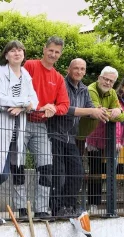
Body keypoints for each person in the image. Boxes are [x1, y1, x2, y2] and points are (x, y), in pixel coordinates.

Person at [49, 58, 109, 216]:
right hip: (55, 134)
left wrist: (100, 110)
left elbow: (91, 109)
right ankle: (56, 208)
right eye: (76, 68)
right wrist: (91, 111)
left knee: (77, 172)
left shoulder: (84, 90)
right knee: (58, 172)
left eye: (82, 69)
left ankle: (68, 205)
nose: (79, 72)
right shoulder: (61, 84)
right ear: (68, 70)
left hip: (72, 137)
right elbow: (64, 108)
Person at [22, 36, 70, 220]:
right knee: (17, 166)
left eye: (57, 52)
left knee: (46, 166)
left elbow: (65, 105)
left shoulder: (58, 78)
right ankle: (20, 210)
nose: (53, 54)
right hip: (22, 121)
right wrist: (31, 104)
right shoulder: (30, 66)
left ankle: (41, 209)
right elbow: (19, 87)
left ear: (60, 55)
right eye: (51, 50)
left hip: (41, 126)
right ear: (44, 49)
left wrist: (54, 108)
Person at [0, 40, 38, 217]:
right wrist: (25, 104)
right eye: (12, 51)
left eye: (20, 51)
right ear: (6, 55)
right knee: (0, 171)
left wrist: (23, 107)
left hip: (19, 128)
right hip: (3, 126)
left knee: (18, 168)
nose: (17, 53)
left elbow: (35, 99)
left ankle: (22, 209)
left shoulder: (26, 74)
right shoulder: (0, 73)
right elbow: (0, 99)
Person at [79, 66, 124, 212]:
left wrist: (120, 112)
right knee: (94, 171)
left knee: (106, 171)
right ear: (99, 77)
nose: (108, 83)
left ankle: (104, 205)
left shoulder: (111, 93)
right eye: (105, 79)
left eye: (111, 81)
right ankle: (92, 203)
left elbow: (119, 113)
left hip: (106, 139)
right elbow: (99, 112)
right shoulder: (91, 90)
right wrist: (121, 114)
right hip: (88, 137)